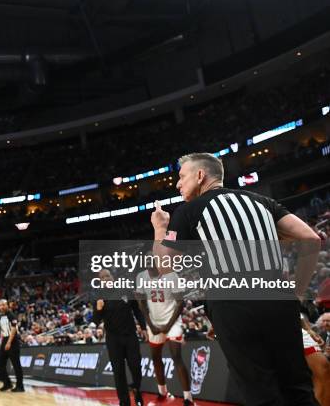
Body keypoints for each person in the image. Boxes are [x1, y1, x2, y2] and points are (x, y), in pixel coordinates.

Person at [151, 152, 320, 405]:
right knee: (298, 389)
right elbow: (311, 239)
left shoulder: (189, 211)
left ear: (200, 175)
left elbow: (164, 266)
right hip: (280, 301)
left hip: (233, 306)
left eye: (181, 177)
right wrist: (296, 292)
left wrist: (160, 228)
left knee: (260, 392)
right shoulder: (262, 201)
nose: (177, 184)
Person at [136, 265, 193, 405]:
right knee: (155, 357)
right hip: (154, 322)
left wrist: (168, 326)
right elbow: (141, 303)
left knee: (176, 356)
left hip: (172, 321)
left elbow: (180, 303)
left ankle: (188, 398)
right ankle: (162, 392)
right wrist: (150, 324)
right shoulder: (141, 277)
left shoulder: (171, 274)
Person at [92, 269, 146, 406]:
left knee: (136, 366)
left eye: (107, 276)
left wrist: (144, 327)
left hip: (130, 336)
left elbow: (137, 310)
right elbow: (96, 320)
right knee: (118, 372)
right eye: (102, 277)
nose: (105, 279)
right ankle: (124, 402)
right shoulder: (99, 296)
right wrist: (98, 309)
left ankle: (136, 388)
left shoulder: (125, 290)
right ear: (100, 281)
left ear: (113, 277)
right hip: (113, 339)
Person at [0, 299, 24, 393]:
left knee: (16, 365)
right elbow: (2, 330)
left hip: (13, 341)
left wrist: (9, 342)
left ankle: (20, 386)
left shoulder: (11, 315)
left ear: (7, 305)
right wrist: (2, 342)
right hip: (4, 340)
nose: (2, 306)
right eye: (0, 305)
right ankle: (7, 383)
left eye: (4, 305)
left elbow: (13, 329)